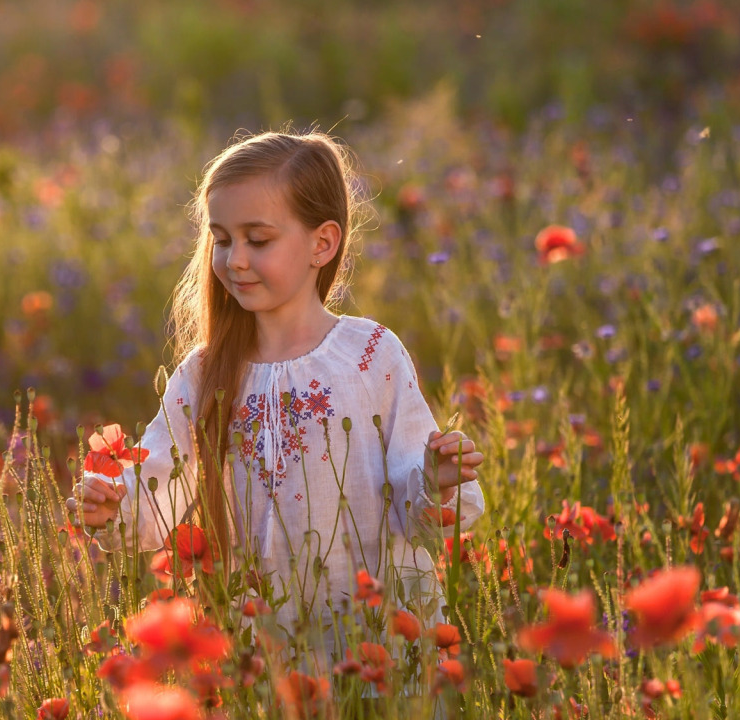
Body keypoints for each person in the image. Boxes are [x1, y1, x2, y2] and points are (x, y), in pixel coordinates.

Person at [65, 130, 485, 673]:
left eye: (258, 240)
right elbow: (161, 486)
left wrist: (437, 479)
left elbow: (414, 500)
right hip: (258, 645)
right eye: (221, 239)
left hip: (371, 639)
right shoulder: (203, 374)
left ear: (322, 244)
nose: (235, 259)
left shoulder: (369, 355)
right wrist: (112, 504)